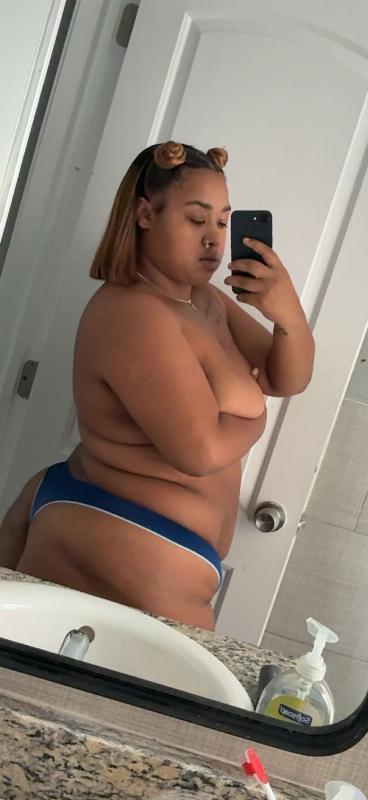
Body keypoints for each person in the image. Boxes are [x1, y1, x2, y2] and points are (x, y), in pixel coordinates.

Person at [0, 141, 314, 630]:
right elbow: (201, 452)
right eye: (196, 219)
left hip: (152, 543)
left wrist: (287, 314)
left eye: (223, 222)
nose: (214, 240)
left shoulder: (205, 301)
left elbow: (284, 377)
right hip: (121, 535)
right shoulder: (134, 313)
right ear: (146, 214)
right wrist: (257, 417)